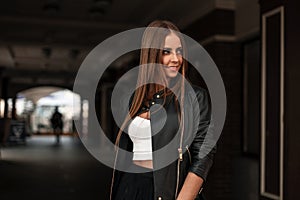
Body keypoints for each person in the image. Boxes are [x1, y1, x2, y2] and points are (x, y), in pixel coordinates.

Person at [110, 20, 217, 200]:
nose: (176, 59)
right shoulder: (134, 97)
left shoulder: (195, 97)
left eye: (179, 51)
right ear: (152, 54)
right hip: (130, 186)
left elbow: (204, 155)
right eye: (166, 51)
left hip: (168, 191)